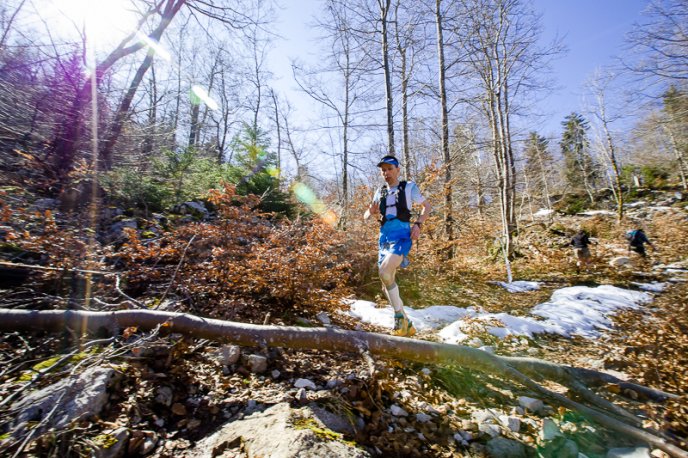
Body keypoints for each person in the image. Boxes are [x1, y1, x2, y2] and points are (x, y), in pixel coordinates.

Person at [364, 155, 431, 337]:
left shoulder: (408, 187)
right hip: (384, 238)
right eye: (383, 170)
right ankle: (405, 323)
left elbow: (427, 206)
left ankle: (399, 318)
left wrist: (418, 224)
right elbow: (366, 215)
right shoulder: (380, 191)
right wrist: (370, 212)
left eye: (390, 169)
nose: (386, 173)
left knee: (385, 272)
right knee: (386, 282)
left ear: (398, 170)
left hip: (401, 236)